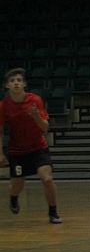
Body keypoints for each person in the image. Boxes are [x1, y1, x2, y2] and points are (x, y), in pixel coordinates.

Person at [0, 68, 62, 223]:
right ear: (7, 85)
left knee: (47, 179)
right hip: (17, 151)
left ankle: (53, 213)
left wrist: (36, 117)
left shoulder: (35, 100)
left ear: (24, 84)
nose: (16, 83)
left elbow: (45, 127)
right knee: (17, 187)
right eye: (12, 81)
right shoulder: (3, 105)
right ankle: (13, 197)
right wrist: (0, 153)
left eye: (19, 80)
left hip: (38, 148)